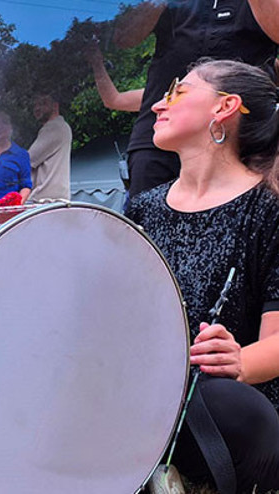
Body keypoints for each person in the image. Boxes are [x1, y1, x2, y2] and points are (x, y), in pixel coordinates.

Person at [125, 60, 279, 492]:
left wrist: (239, 362)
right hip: (147, 394)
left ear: (225, 107)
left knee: (225, 402)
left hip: (227, 410)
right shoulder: (144, 208)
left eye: (176, 91)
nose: (157, 105)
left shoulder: (268, 209)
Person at [111, 0, 278, 197]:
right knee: (144, 220)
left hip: (242, 137)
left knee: (250, 220)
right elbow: (124, 38)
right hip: (158, 136)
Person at [28, 93, 72, 202]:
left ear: (55, 106)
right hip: (56, 199)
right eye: (35, 105)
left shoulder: (54, 127)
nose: (37, 108)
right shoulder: (63, 126)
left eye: (43, 103)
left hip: (46, 200)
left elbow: (27, 160)